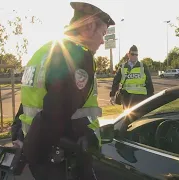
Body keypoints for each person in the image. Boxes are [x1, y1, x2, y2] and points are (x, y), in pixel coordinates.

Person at [11, 1, 115, 180]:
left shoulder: (42, 52)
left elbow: (28, 100)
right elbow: (56, 112)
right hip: (64, 160)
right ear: (90, 26)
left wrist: (20, 136)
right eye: (103, 33)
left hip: (39, 155)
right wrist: (34, 152)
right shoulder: (78, 54)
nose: (102, 40)